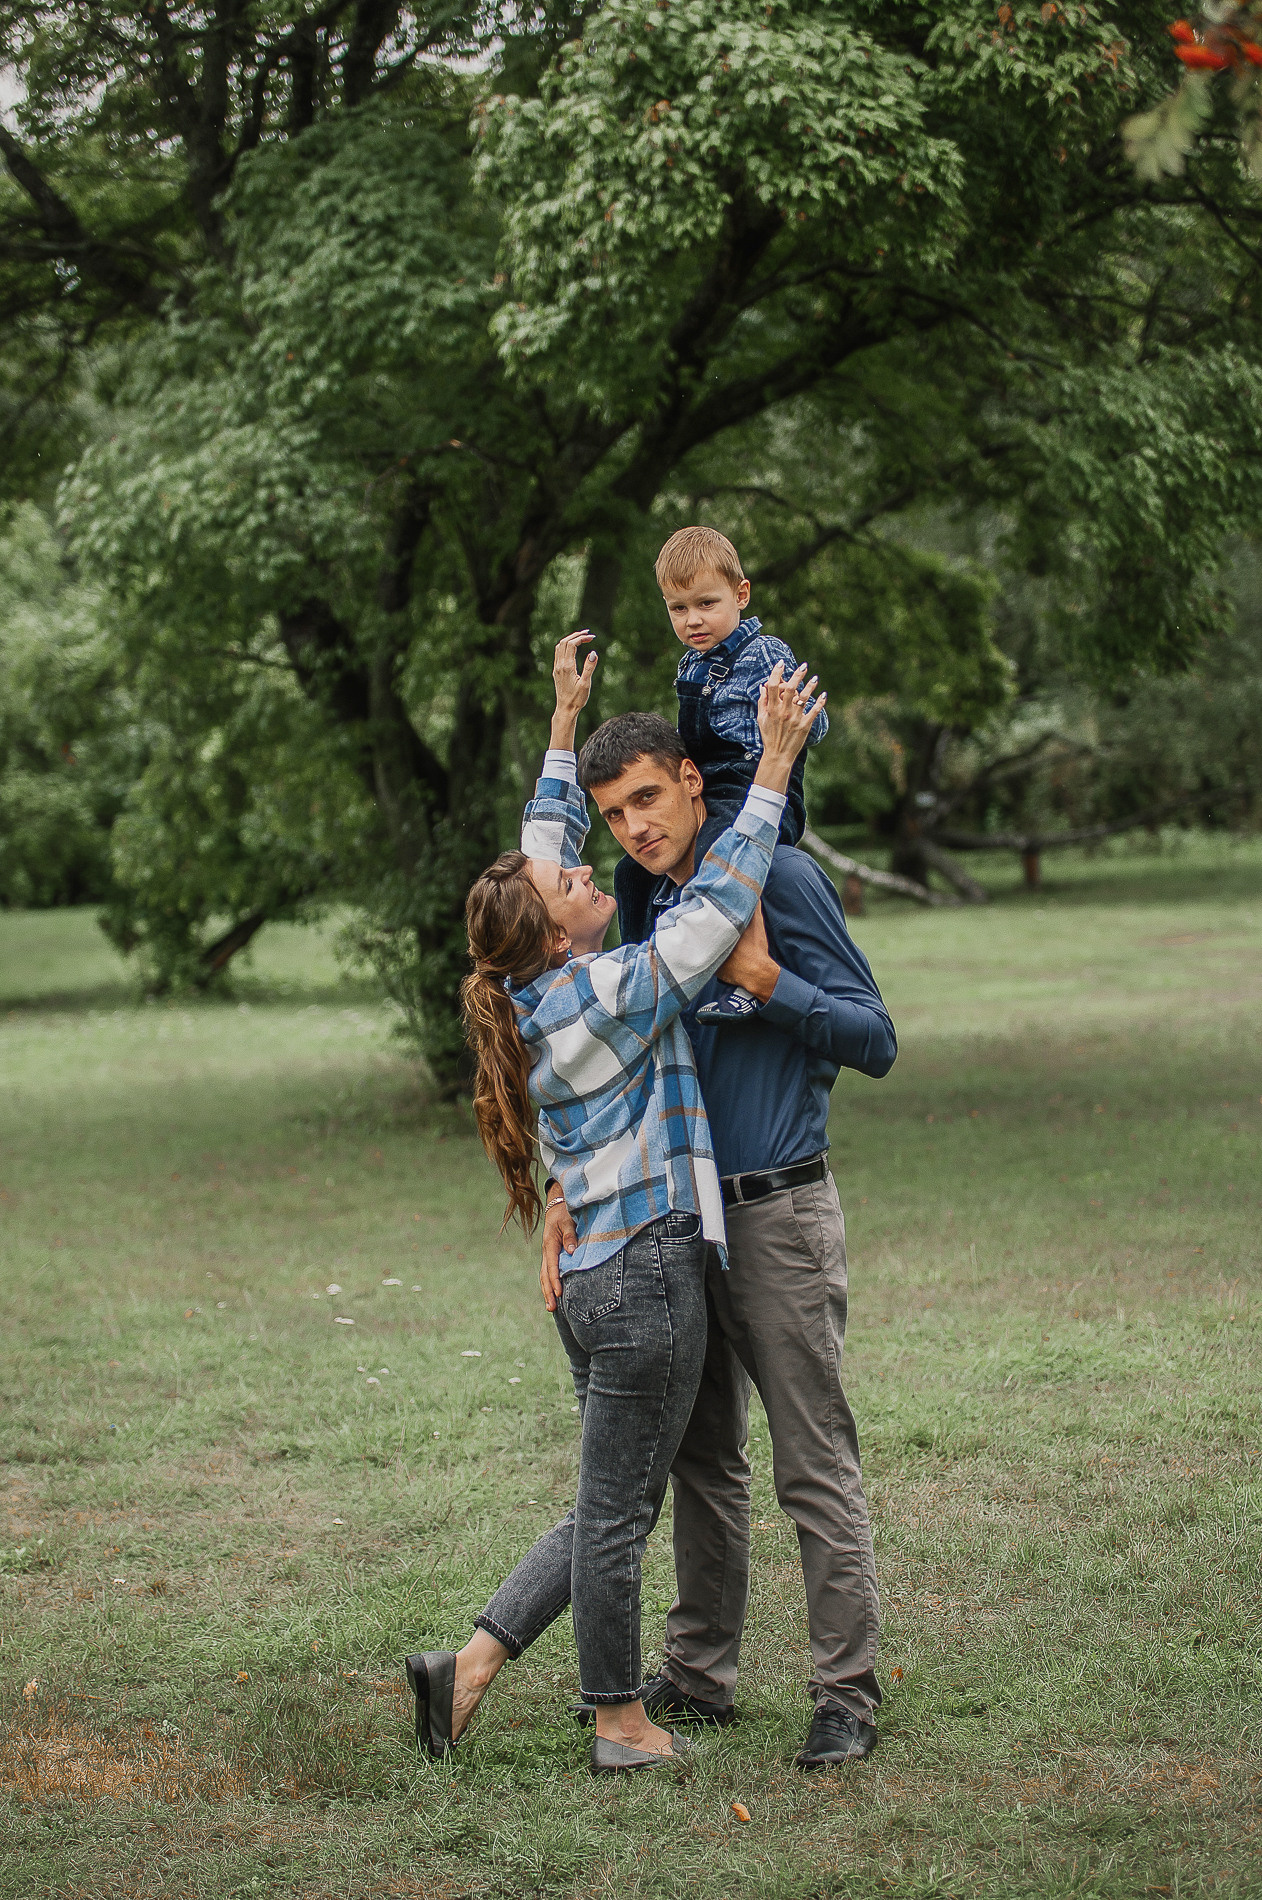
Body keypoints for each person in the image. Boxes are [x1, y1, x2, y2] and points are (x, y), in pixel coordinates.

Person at [405, 633, 825, 1775]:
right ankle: (616, 1721)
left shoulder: (527, 991)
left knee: (612, 1500)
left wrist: (561, 724)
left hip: (591, 1282)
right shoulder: (608, 995)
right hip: (645, 1275)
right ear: (553, 933)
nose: (591, 867)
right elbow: (718, 901)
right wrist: (772, 771)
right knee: (612, 1515)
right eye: (574, 884)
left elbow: (540, 849)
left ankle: (468, 1671)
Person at [543, 709, 897, 1771]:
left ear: (691, 780)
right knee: (700, 1461)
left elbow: (873, 1035)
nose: (634, 827)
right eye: (613, 812)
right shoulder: (643, 895)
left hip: (776, 1210)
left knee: (810, 1460)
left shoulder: (776, 878)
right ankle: (698, 1673)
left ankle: (845, 1691)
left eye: (647, 797)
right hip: (672, 1222)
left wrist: (762, 982)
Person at [620, 524, 829, 1024]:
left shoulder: (765, 654)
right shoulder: (691, 666)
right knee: (632, 869)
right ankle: (634, 971)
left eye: (706, 604)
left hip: (763, 793)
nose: (692, 620)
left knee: (723, 845)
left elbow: (813, 727)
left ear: (741, 595)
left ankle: (750, 975)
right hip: (709, 788)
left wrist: (788, 715)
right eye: (677, 608)